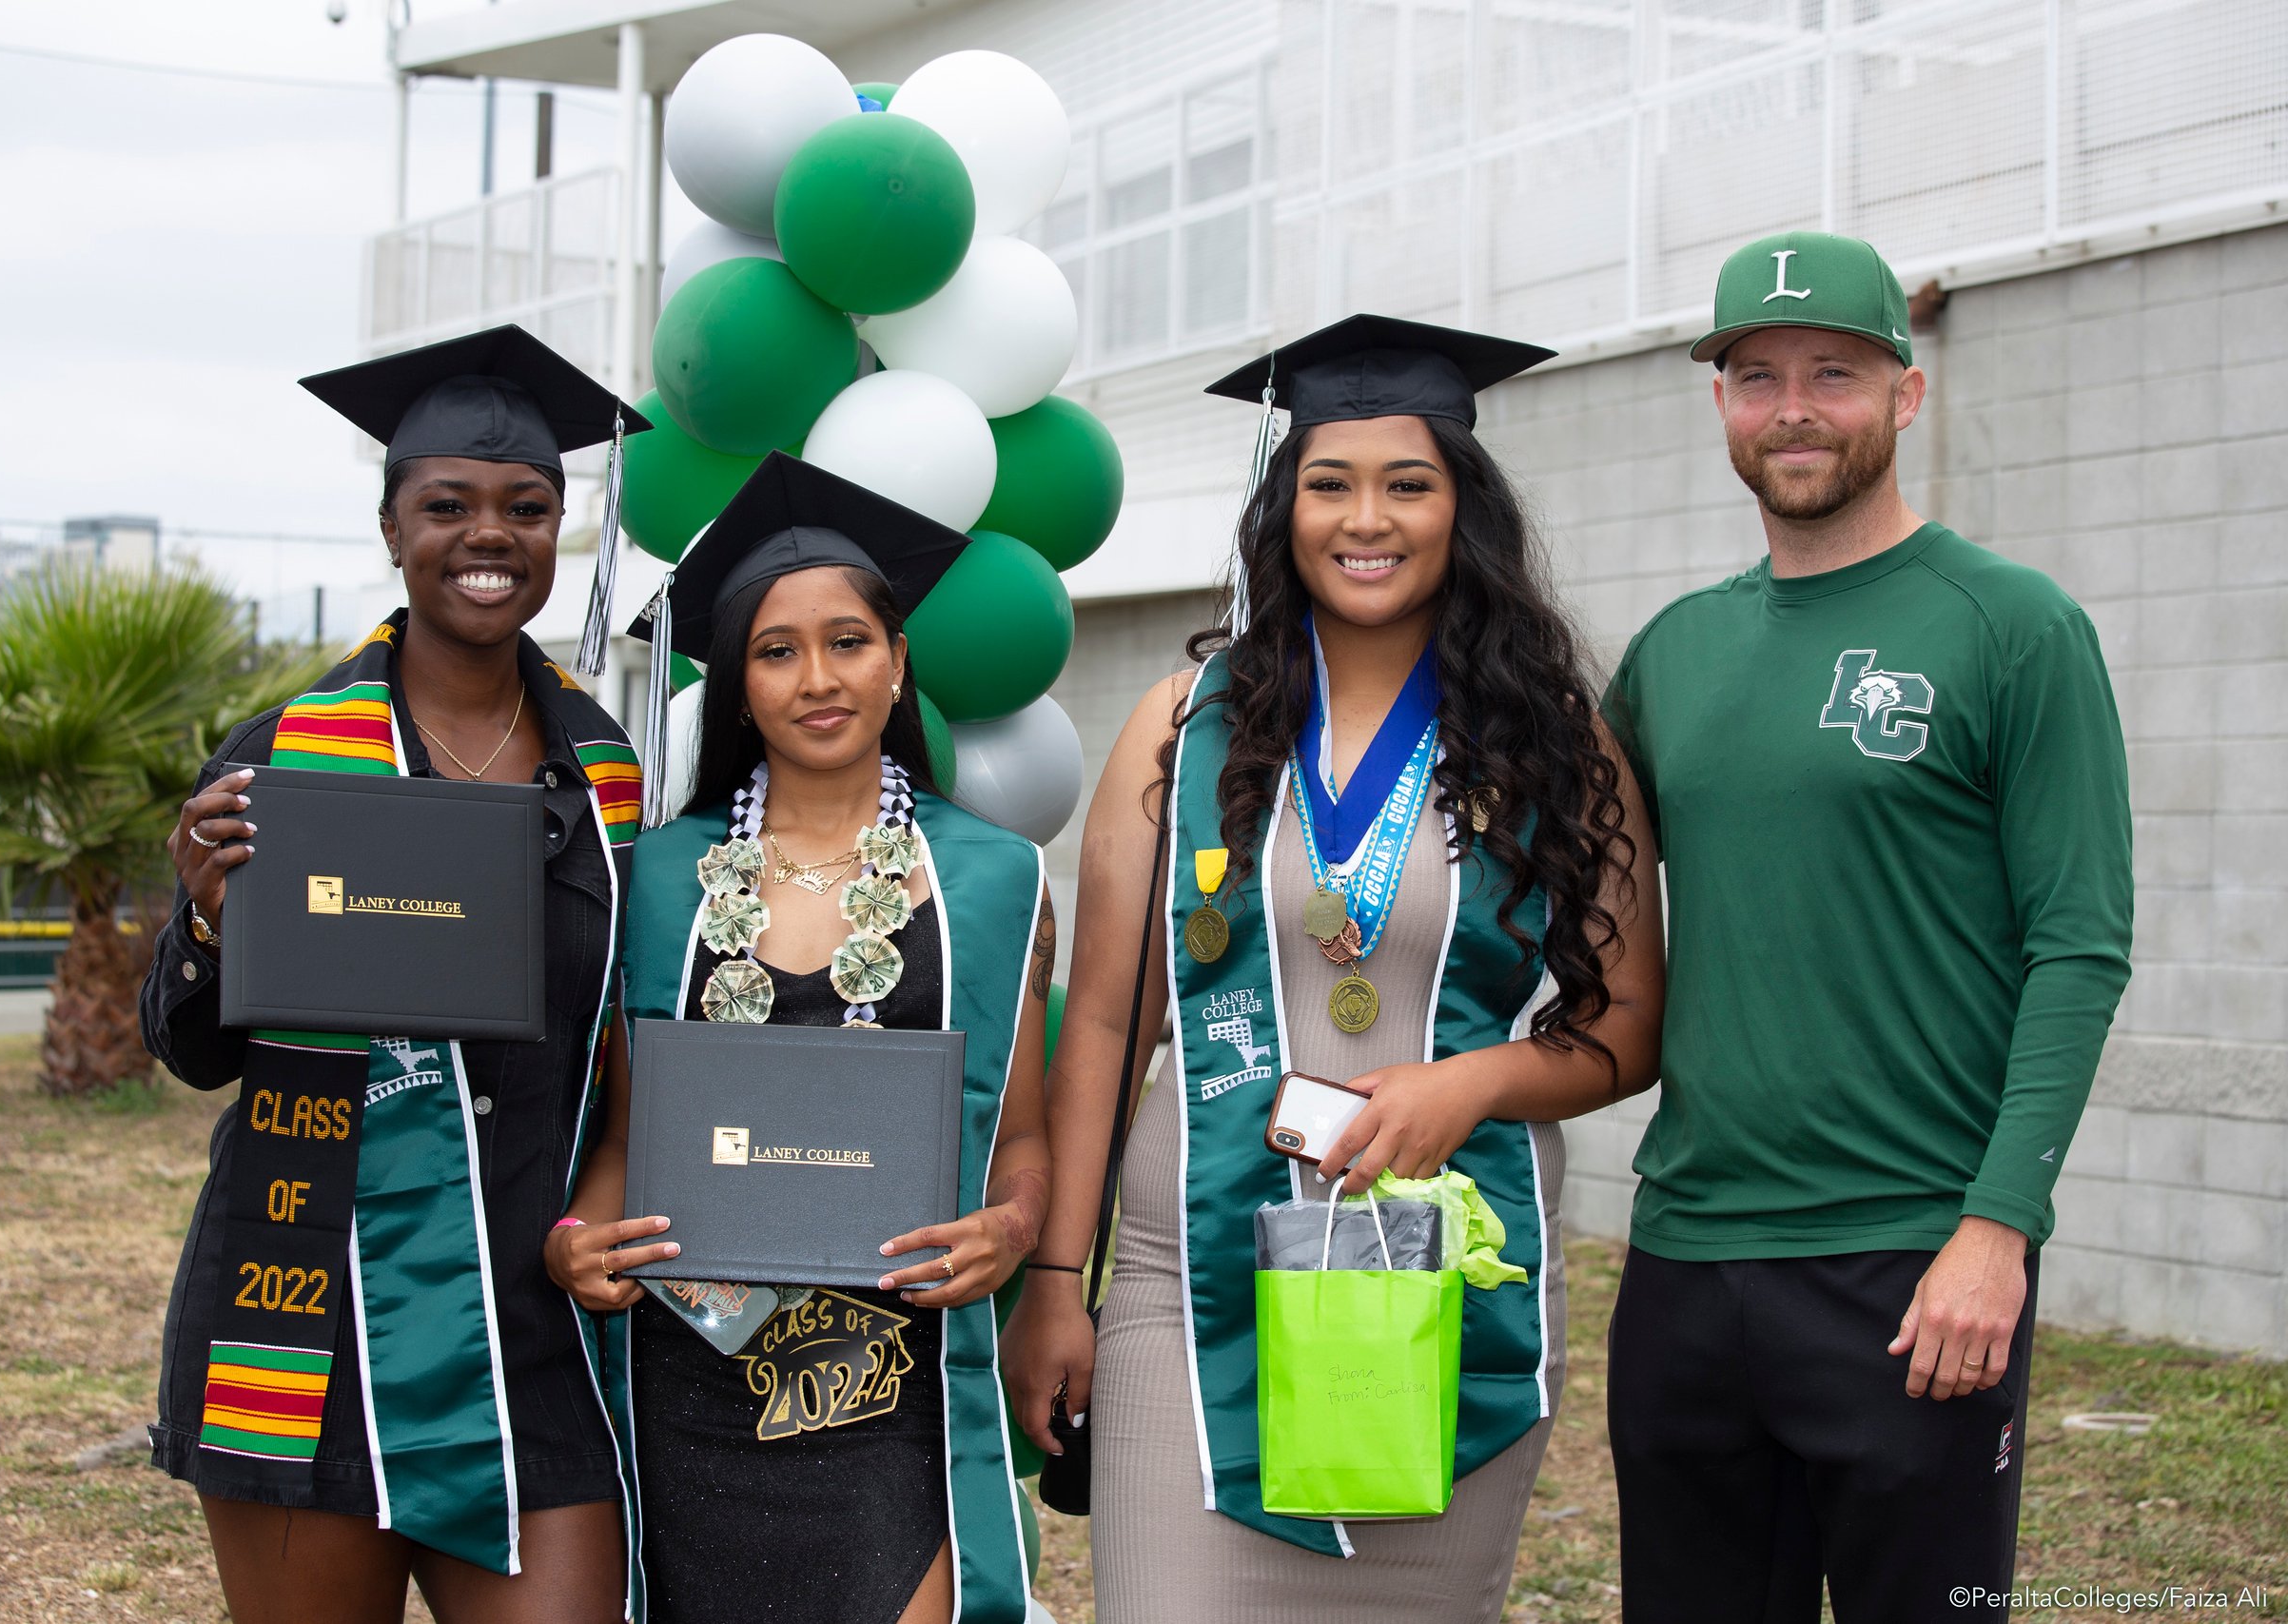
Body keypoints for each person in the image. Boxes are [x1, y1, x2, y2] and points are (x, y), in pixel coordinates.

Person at [1004, 316, 1667, 1623]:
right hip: (1184, 1277)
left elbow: (1627, 1025)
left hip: (1443, 1269)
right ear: (1283, 506)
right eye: (1330, 483)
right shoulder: (1183, 726)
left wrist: (1470, 1082)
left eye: (1408, 484)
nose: (1368, 518)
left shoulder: (1548, 737)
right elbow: (1102, 1030)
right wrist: (1049, 1285)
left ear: (1461, 506)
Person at [1600, 231, 2134, 1624]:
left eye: (1834, 371)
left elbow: (2078, 944)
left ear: (1906, 393)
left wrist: (1999, 1227)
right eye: (1756, 373)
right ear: (1717, 402)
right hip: (1688, 1259)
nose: (1792, 407)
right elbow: (1559, 891)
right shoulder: (1670, 654)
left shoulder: (2012, 626)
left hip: (1912, 1266)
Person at [141, 325, 650, 1623]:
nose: (491, 534)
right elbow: (191, 1045)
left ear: (557, 531)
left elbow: (626, 1038)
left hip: (525, 1318)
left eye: (528, 508)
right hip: (306, 1314)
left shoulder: (606, 782)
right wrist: (206, 925)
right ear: (391, 527)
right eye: (449, 505)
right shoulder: (289, 760)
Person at [543, 452, 1054, 1624]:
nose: (816, 679)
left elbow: (1021, 1136)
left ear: (898, 660)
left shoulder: (991, 880)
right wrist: (576, 1238)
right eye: (775, 651)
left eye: (848, 642)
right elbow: (628, 1139)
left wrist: (1011, 1228)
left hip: (896, 1391)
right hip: (691, 1383)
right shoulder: (655, 882)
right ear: (734, 684)